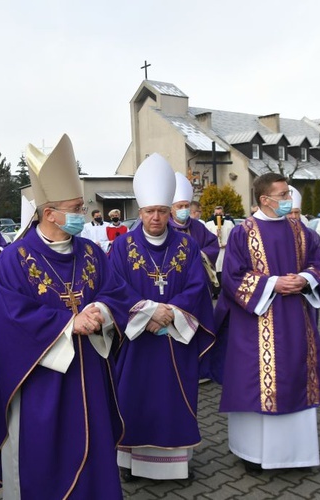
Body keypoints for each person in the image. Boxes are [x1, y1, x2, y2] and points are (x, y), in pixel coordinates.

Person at [0, 134, 131, 499]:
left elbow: (116, 292)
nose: (82, 215)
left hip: (91, 374)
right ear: (49, 213)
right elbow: (10, 319)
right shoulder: (13, 259)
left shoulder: (93, 252)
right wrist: (68, 325)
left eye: (82, 208)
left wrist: (104, 311)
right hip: (41, 378)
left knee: (95, 449)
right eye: (76, 208)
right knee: (45, 456)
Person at [219, 172, 320, 471]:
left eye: (288, 194)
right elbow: (232, 277)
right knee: (254, 384)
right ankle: (254, 454)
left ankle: (297, 455)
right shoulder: (243, 232)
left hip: (297, 323)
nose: (290, 199)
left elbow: (319, 263)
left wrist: (305, 278)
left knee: (296, 378)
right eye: (284, 194)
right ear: (265, 199)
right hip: (255, 324)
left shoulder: (301, 230)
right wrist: (272, 284)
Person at [110, 153, 215, 481]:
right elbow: (114, 289)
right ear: (139, 212)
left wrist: (170, 313)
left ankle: (176, 466)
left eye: (162, 211)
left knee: (175, 401)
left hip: (175, 340)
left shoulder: (187, 245)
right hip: (137, 343)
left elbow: (198, 287)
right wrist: (150, 312)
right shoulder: (122, 247)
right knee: (134, 398)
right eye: (150, 211)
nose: (156, 218)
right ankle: (130, 463)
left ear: (170, 211)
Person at [169, 173, 220, 292]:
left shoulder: (197, 226)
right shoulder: (165, 227)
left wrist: (199, 254)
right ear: (171, 209)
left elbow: (212, 243)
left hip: (198, 276)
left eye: (186, 206)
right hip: (173, 277)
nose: (184, 209)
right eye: (180, 206)